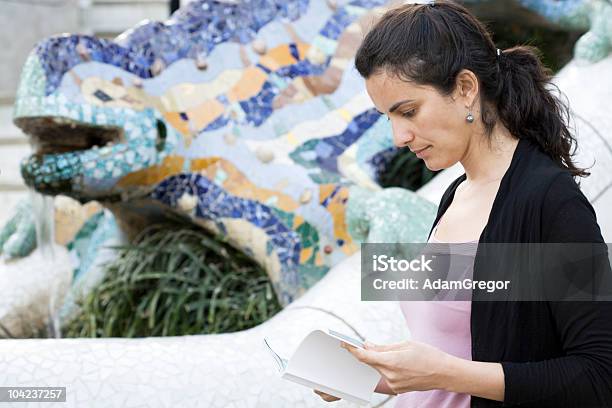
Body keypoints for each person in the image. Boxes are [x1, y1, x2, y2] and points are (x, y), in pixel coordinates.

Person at [315, 1, 612, 406]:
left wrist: (441, 371)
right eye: (389, 117)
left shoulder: (550, 199)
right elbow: (454, 348)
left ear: (466, 88)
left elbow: (599, 376)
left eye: (408, 110)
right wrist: (377, 376)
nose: (399, 136)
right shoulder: (455, 194)